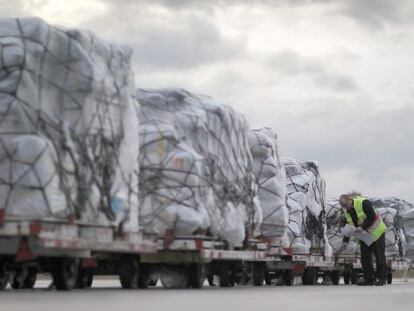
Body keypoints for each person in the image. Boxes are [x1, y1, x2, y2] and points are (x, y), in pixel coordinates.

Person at [339, 194, 387, 286]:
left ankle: (382, 278)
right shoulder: (346, 212)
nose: (345, 208)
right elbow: (349, 227)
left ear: (349, 200)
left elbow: (372, 216)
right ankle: (369, 279)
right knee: (365, 258)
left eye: (346, 205)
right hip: (365, 237)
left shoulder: (364, 202)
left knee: (379, 256)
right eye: (343, 206)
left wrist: (362, 227)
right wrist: (345, 241)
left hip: (377, 233)